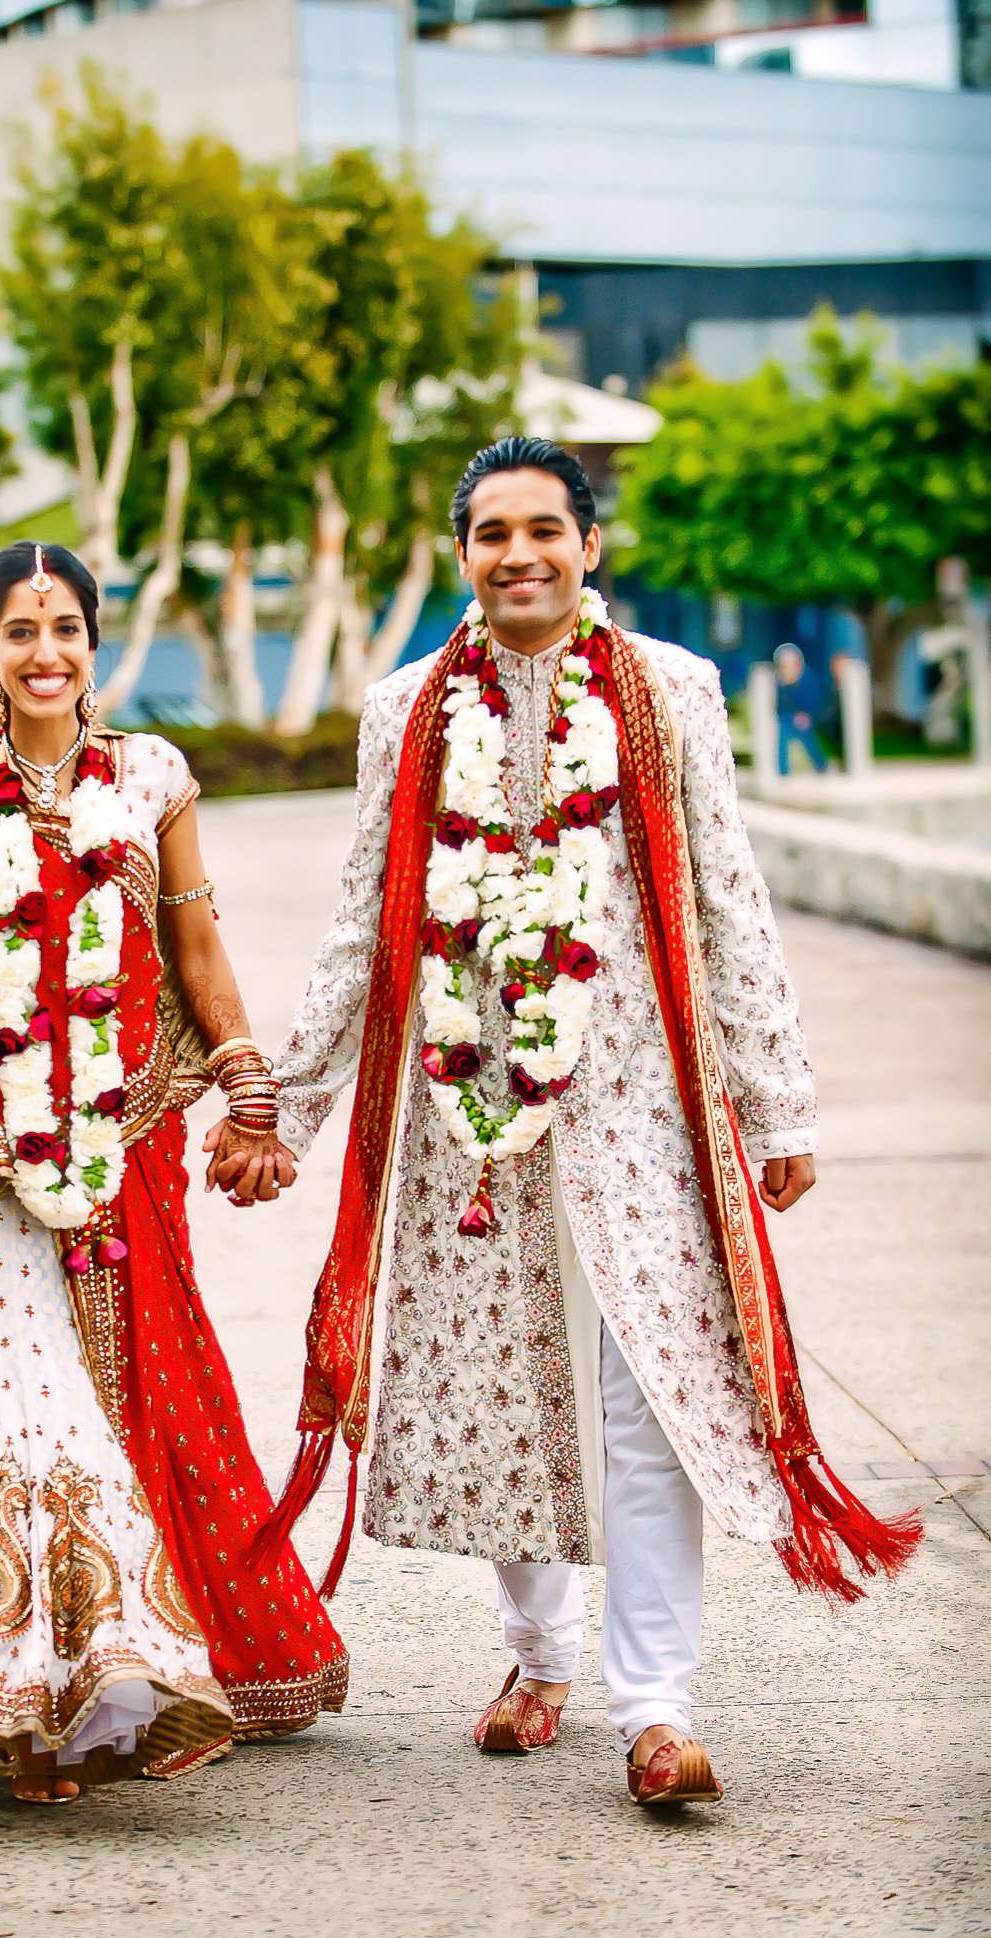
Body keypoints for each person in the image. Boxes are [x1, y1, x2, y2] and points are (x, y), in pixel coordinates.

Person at [211, 440, 919, 1809]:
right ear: (459, 552)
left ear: (589, 545)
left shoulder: (671, 691)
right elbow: (364, 920)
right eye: (490, 533)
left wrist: (775, 1097)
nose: (519, 553)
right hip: (460, 1110)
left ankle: (652, 1709)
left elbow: (725, 893)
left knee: (645, 1402)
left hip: (637, 1104)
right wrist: (281, 1111)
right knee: (502, 1389)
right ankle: (534, 1659)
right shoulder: (405, 710)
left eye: (545, 529)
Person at [0, 542, 346, 1804]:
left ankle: (132, 1669)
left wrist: (251, 1082)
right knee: (22, 1417)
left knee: (143, 1389)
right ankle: (33, 1707)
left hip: (126, 1141)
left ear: (97, 643)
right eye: (19, 630)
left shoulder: (151, 776)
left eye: (67, 627)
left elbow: (194, 942)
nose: (45, 653)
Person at [773, 642, 831, 774]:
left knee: (808, 739)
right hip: (785, 718)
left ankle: (822, 766)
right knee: (782, 735)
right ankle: (782, 771)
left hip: (805, 717)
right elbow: (779, 704)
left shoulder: (807, 679)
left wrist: (807, 715)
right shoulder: (778, 682)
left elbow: (815, 700)